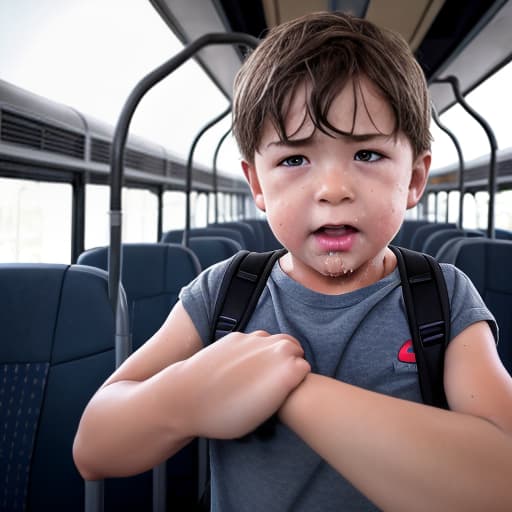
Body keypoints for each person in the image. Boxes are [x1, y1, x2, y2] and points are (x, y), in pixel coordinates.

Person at [73, 11, 512, 511]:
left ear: (414, 179)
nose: (332, 190)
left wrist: (292, 393)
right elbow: (94, 446)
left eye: (366, 155)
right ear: (257, 185)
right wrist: (187, 397)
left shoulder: (442, 298)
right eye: (294, 160)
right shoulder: (226, 290)